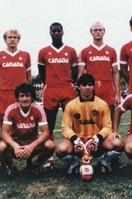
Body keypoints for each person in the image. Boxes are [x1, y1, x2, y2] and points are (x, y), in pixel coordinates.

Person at [56, 74, 123, 175]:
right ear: (79, 87)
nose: (87, 88)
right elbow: (66, 127)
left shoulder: (102, 104)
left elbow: (107, 126)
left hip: (98, 143)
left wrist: (97, 138)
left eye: (90, 85)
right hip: (78, 144)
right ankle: (74, 164)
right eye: (84, 85)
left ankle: (103, 162)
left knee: (118, 144)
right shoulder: (71, 105)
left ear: (93, 86)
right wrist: (75, 139)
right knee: (60, 149)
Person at [38, 22, 78, 169]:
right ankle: (48, 157)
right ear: (50, 33)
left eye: (58, 31)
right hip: (51, 89)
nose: (56, 33)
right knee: (49, 124)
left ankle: (73, 153)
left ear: (62, 32)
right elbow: (41, 72)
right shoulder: (43, 52)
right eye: (53, 31)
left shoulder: (71, 51)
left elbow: (74, 72)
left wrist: (68, 81)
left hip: (67, 87)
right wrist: (50, 82)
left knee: (73, 123)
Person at [0, 83, 54, 179]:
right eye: (22, 96)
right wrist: (15, 146)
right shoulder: (11, 109)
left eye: (27, 95)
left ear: (32, 97)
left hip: (32, 143)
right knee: (0, 147)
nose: (25, 99)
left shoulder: (38, 109)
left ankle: (35, 166)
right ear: (17, 98)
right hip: (16, 143)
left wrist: (31, 146)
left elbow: (46, 133)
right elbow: (4, 133)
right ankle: (12, 168)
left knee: (50, 145)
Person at [78, 21, 120, 122]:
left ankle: (111, 136)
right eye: (95, 30)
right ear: (91, 32)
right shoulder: (84, 51)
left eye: (100, 30)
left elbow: (115, 73)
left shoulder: (111, 50)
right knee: (92, 116)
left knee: (109, 115)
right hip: (92, 87)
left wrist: (117, 94)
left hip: (108, 87)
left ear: (104, 32)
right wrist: (81, 90)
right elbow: (80, 74)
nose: (98, 32)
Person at [0, 29, 32, 123]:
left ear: (18, 40)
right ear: (5, 40)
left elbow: (29, 77)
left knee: (21, 120)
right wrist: (3, 88)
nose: (12, 39)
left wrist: (24, 91)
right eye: (9, 37)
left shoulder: (25, 55)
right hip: (4, 93)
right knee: (4, 121)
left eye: (15, 37)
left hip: (20, 94)